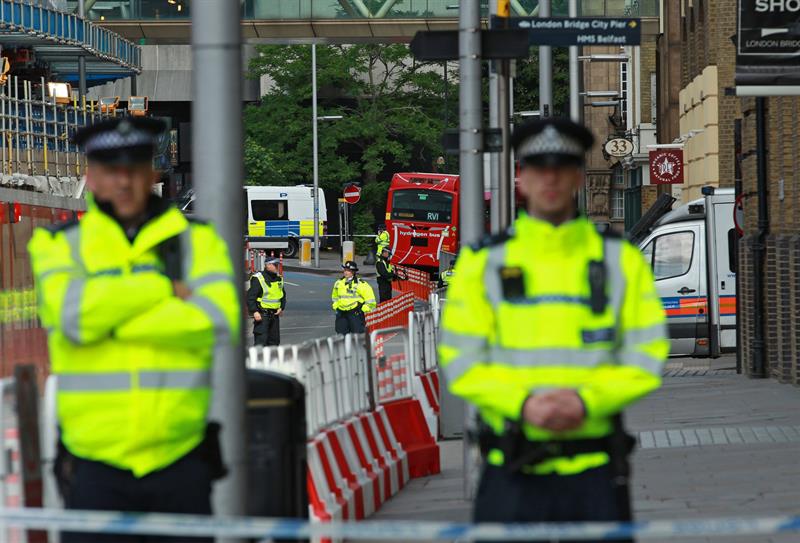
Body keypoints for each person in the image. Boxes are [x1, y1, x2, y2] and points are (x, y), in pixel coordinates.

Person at [438, 118, 668, 543]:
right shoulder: (483, 262)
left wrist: (585, 401)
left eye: (561, 167)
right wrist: (523, 404)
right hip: (511, 469)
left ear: (579, 177)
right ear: (519, 179)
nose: (550, 178)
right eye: (537, 168)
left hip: (595, 471)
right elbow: (462, 357)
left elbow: (646, 353)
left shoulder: (620, 260)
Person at [28, 117, 239, 543]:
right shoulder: (57, 243)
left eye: (134, 168)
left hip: (180, 459)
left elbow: (218, 323)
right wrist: (162, 288)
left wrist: (112, 319)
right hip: (94, 466)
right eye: (110, 169)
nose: (123, 181)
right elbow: (75, 318)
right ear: (90, 175)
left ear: (152, 173)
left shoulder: (199, 240)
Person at [247, 257, 286, 346]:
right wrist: (255, 311)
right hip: (262, 315)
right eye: (275, 265)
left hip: (274, 316)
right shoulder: (259, 278)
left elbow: (282, 295)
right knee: (261, 342)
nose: (277, 267)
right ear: (267, 265)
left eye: (278, 265)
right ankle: (258, 360)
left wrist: (281, 307)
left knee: (274, 342)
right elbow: (251, 296)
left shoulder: (279, 279)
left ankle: (272, 360)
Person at [331, 260, 376, 334]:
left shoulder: (361, 284)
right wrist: (336, 306)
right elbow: (334, 297)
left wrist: (362, 309)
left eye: (348, 270)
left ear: (353, 272)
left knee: (357, 337)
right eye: (345, 270)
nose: (346, 272)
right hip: (341, 313)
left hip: (355, 314)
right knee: (341, 336)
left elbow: (371, 300)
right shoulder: (338, 283)